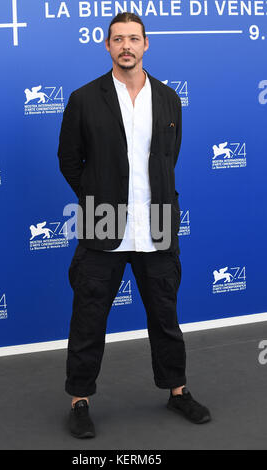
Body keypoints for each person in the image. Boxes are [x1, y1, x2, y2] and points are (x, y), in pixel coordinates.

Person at [57, 12, 211, 439]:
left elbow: (168, 158)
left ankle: (178, 392)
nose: (126, 46)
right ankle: (80, 400)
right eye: (118, 39)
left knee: (165, 317)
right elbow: (69, 160)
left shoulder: (167, 98)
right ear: (107, 46)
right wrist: (96, 195)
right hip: (101, 222)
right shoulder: (84, 98)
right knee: (88, 319)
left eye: (134, 39)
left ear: (146, 45)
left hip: (157, 223)